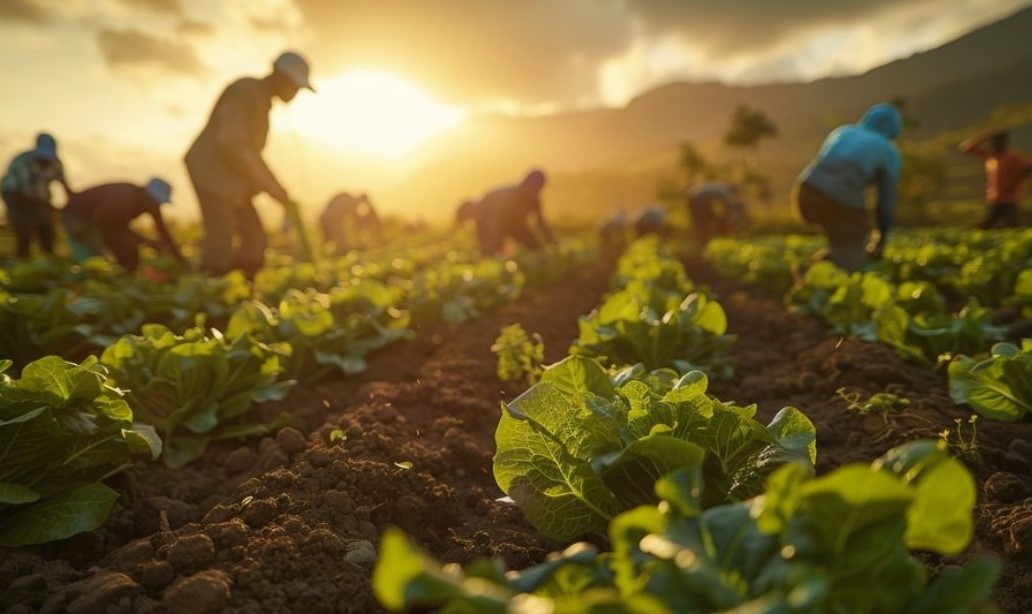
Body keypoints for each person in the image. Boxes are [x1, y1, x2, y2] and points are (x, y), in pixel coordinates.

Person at [184, 51, 314, 278]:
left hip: (231, 179)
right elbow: (231, 143)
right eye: (294, 86)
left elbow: (251, 153)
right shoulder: (247, 91)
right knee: (220, 240)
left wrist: (277, 188)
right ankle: (210, 291)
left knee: (254, 238)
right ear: (280, 77)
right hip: (213, 175)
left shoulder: (261, 99)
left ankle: (244, 286)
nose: (295, 93)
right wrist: (271, 187)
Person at [794, 102, 903, 273]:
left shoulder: (843, 131)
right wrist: (881, 239)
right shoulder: (888, 150)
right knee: (851, 255)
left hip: (805, 193)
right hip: (841, 201)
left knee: (840, 239)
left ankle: (814, 274)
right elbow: (885, 203)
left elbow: (823, 167)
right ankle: (811, 276)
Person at [61, 178, 185, 272]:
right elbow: (103, 225)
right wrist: (145, 241)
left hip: (103, 222)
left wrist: (181, 261)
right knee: (96, 260)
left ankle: (123, 275)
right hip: (79, 217)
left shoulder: (149, 204)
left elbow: (163, 231)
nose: (157, 206)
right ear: (147, 196)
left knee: (129, 251)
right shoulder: (124, 200)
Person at [1, 133, 71, 258]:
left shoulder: (56, 164)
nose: (44, 162)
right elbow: (24, 193)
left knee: (47, 228)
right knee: (24, 228)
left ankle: (48, 256)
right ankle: (22, 257)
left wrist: (72, 204)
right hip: (15, 195)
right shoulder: (23, 162)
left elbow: (64, 185)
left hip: (39, 197)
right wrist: (46, 206)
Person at [456, 169, 556, 256]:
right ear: (524, 182)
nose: (534, 191)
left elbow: (541, 224)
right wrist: (490, 248)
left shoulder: (534, 201)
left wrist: (553, 243)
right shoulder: (507, 197)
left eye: (537, 188)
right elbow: (494, 226)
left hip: (514, 225)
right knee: (488, 251)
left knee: (534, 246)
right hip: (490, 222)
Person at [958, 130, 1032, 229]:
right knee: (984, 228)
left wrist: (1014, 182)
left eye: (998, 141)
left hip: (1009, 201)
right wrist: (982, 137)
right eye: (993, 141)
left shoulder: (1013, 157)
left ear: (1004, 142)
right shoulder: (990, 156)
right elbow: (964, 148)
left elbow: (1029, 168)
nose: (995, 143)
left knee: (1012, 228)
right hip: (993, 200)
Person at [687, 181, 747, 245]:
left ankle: (701, 240)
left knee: (703, 220)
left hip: (693, 197)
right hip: (698, 199)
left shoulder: (720, 186)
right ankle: (703, 241)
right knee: (705, 220)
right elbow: (729, 206)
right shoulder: (726, 191)